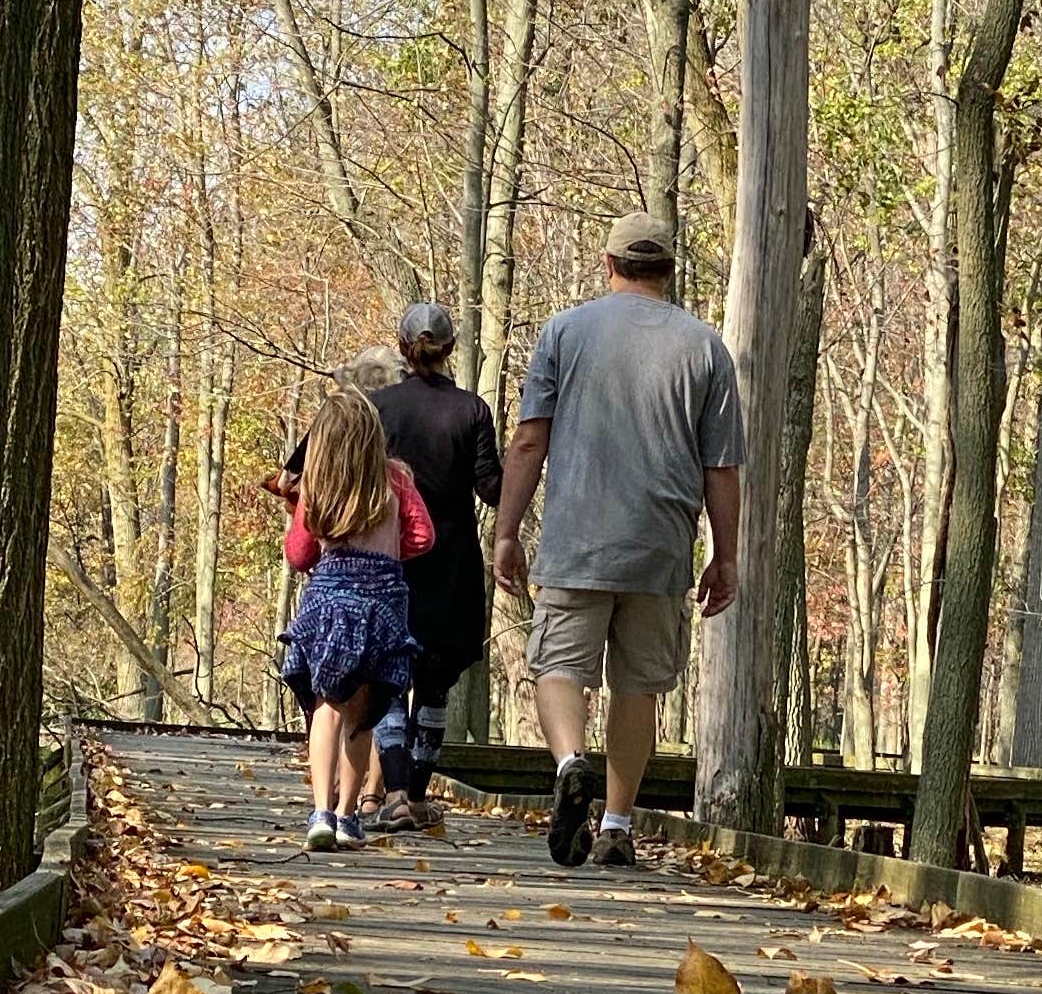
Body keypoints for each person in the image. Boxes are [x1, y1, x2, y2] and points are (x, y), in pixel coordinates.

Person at [492, 210, 742, 870]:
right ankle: (616, 824)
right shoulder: (705, 347)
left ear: (609, 266)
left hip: (578, 533)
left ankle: (571, 761)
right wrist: (726, 554)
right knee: (640, 687)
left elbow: (528, 440)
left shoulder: (564, 332)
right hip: (660, 543)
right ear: (668, 269)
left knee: (558, 668)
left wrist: (507, 530)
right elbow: (721, 466)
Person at [278, 382, 432, 852]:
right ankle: (349, 814)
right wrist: (389, 552)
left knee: (326, 706)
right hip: (382, 603)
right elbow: (424, 537)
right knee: (363, 717)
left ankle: (320, 811)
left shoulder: (316, 487)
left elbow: (299, 554)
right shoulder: (397, 480)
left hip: (329, 602)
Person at [369, 300, 502, 827]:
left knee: (389, 673)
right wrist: (529, 465)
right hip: (451, 562)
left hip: (391, 558)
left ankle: (396, 791)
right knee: (435, 682)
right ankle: (417, 795)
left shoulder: (378, 406)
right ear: (450, 351)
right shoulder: (472, 411)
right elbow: (490, 489)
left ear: (403, 347)